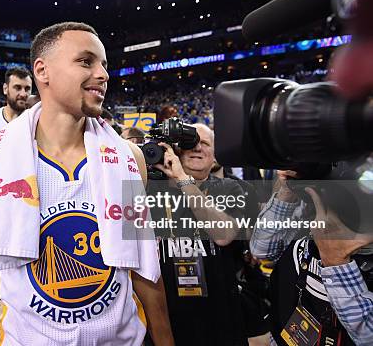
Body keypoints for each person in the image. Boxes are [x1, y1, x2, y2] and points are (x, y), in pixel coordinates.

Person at [0, 22, 174, 345]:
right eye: (86, 61)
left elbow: (144, 273)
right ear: (42, 71)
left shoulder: (129, 159)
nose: (103, 74)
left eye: (104, 65)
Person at [152, 124, 249, 345]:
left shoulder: (230, 188)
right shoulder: (151, 188)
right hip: (168, 312)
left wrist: (183, 180)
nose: (197, 148)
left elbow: (224, 235)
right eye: (190, 143)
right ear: (177, 150)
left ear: (215, 155)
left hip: (220, 313)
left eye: (205, 143)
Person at [250, 170, 373, 345]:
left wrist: (336, 263)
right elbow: (262, 250)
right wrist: (288, 190)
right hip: (283, 333)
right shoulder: (309, 202)